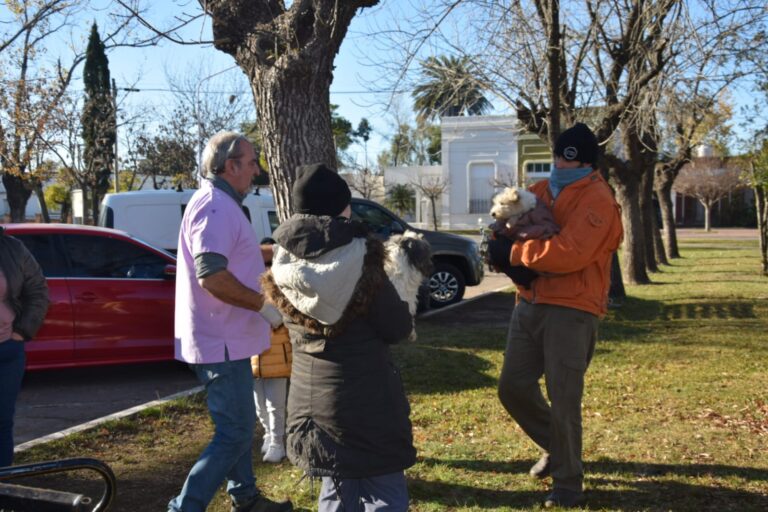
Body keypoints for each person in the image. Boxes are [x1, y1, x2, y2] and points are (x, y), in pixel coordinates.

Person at [261, 163, 415, 512]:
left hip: (313, 407)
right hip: (370, 406)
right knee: (384, 495)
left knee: (335, 493)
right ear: (341, 207)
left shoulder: (282, 262)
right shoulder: (364, 260)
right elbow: (397, 328)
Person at [489, 123, 623, 509]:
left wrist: (514, 255)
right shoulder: (540, 191)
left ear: (585, 161)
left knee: (564, 399)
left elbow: (570, 253)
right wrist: (496, 240)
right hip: (529, 303)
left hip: (573, 310)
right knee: (512, 387)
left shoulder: (598, 198)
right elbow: (507, 225)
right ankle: (558, 447)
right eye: (558, 159)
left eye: (571, 160)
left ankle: (568, 484)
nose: (561, 167)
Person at [169, 131, 292, 512]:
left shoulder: (218, 204)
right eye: (251, 162)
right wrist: (263, 307)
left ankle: (246, 498)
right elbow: (212, 275)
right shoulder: (217, 207)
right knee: (236, 431)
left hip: (224, 339)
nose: (257, 170)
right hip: (220, 340)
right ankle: (184, 507)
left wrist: (269, 252)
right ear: (230, 166)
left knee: (236, 429)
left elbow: (230, 255)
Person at [0, 227, 48, 467]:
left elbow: (37, 289)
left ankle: (3, 486)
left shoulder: (12, 248)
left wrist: (21, 332)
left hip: (7, 351)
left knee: (2, 423)